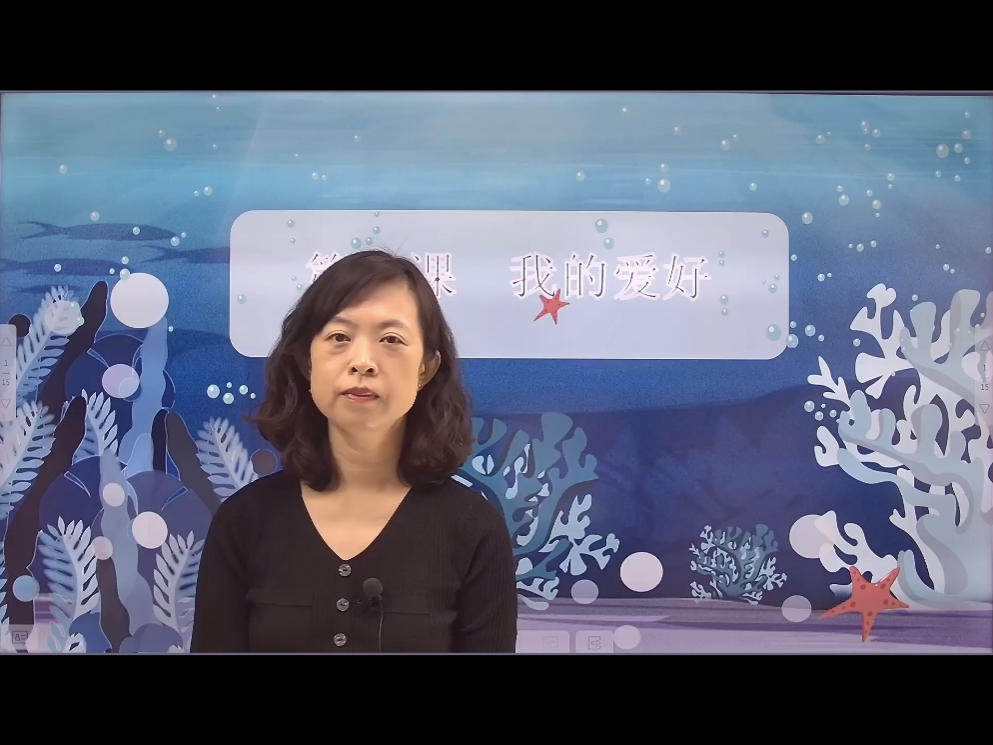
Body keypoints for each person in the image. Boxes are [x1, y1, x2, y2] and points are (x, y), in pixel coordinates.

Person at [190, 249, 518, 653]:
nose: (363, 362)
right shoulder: (244, 521)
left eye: (391, 340)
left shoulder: (474, 529)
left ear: (426, 368)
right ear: (307, 361)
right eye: (339, 338)